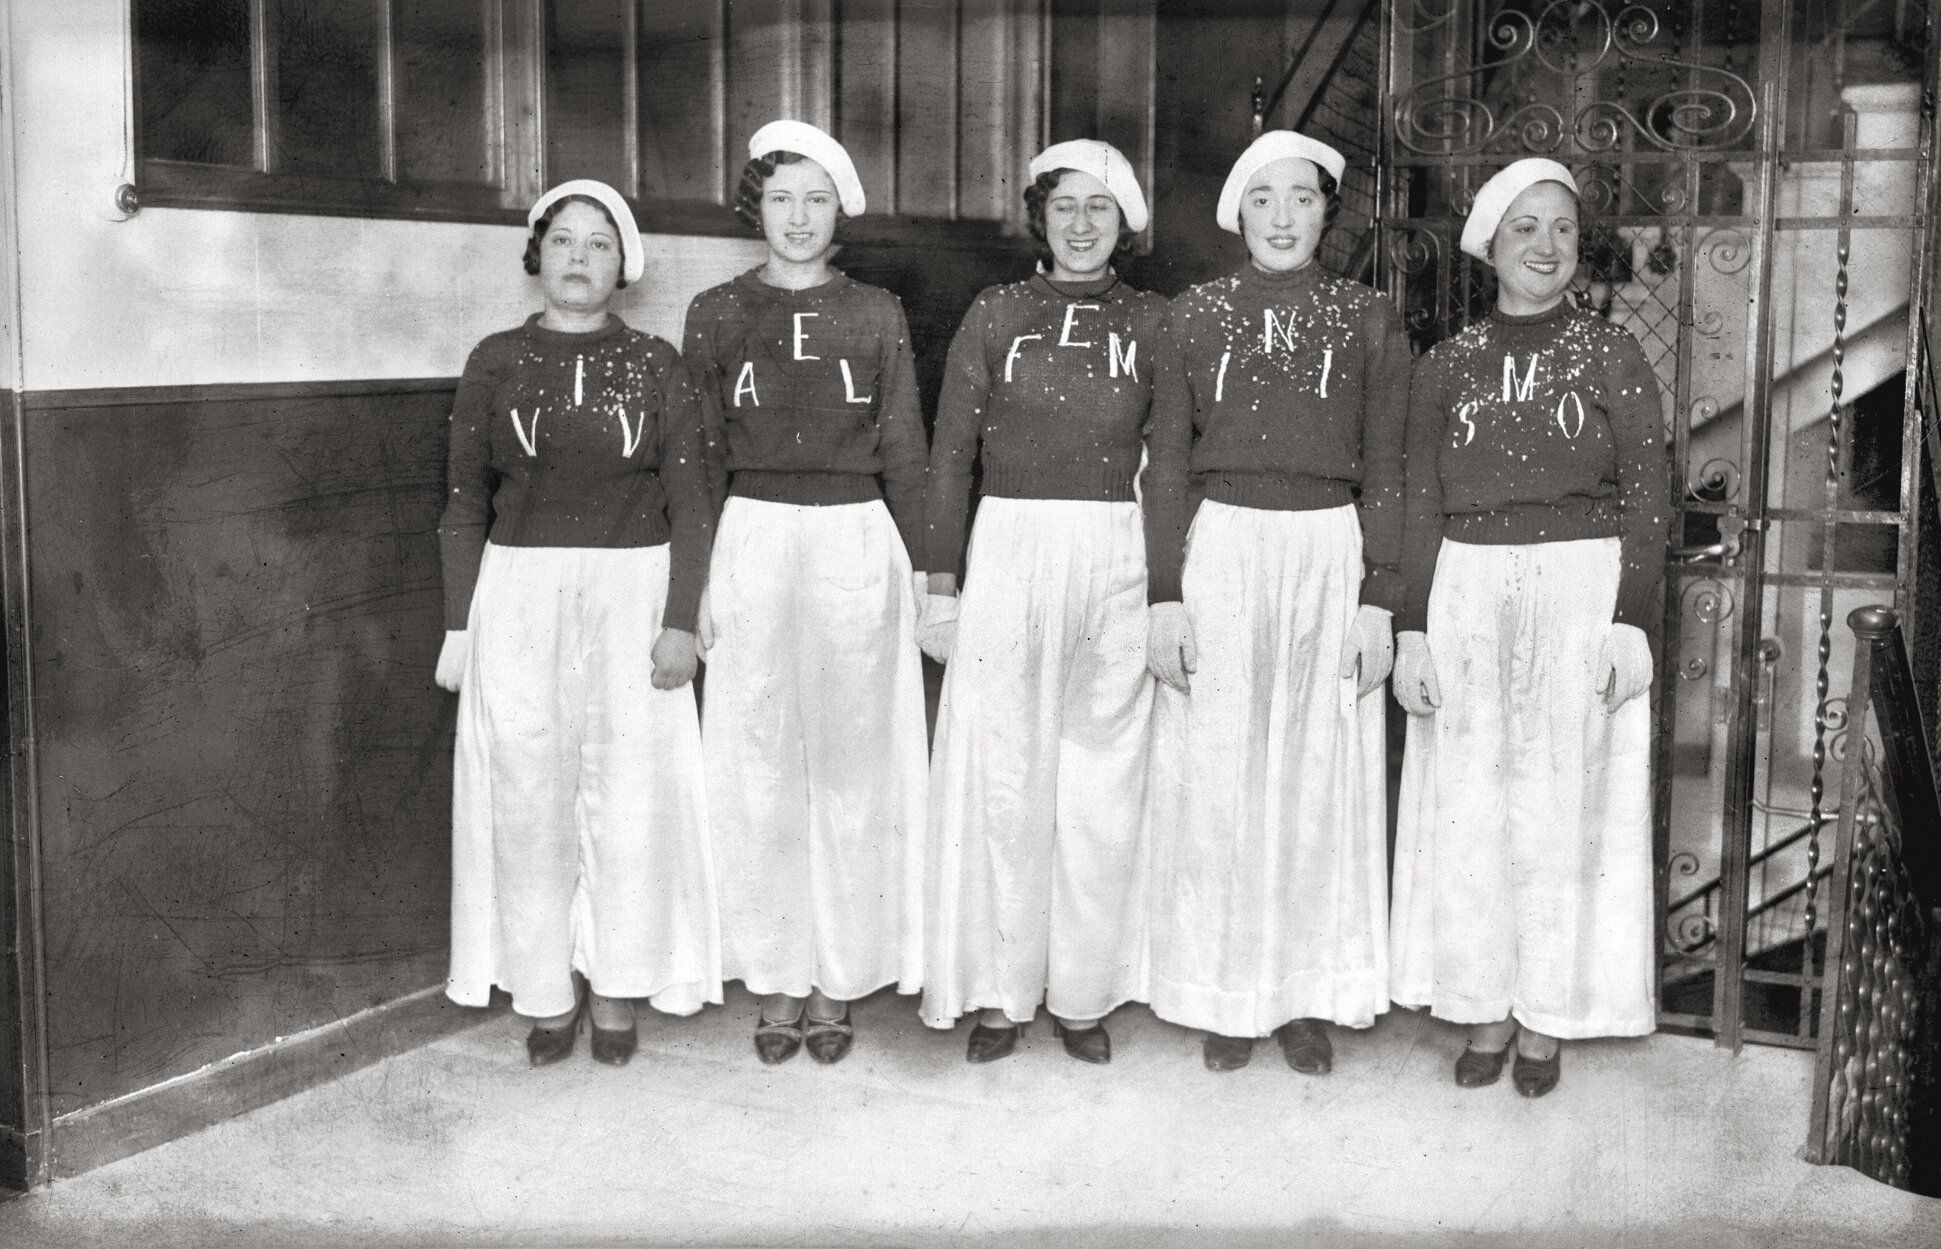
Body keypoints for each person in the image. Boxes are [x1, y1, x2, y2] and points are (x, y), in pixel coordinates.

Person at [1388, 157, 1669, 1098]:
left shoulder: (1612, 352)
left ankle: (1548, 1012)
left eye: (1559, 227)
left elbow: (1648, 494)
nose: (1544, 246)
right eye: (1523, 228)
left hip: (1580, 587)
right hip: (1465, 588)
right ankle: (1482, 1003)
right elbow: (1416, 499)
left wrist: (1631, 619)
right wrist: (1412, 630)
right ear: (1490, 247)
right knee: (1472, 803)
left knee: (1563, 806)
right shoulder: (1446, 363)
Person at [1143, 130, 1411, 1073]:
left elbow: (1388, 464)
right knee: (1221, 773)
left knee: (1315, 773)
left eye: (1302, 198)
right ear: (1239, 213)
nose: (1284, 216)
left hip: (1326, 548)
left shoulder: (1369, 317)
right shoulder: (1192, 313)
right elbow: (1167, 461)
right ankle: (1226, 991)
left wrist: (1379, 596)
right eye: (1265, 199)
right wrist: (1166, 594)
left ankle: (1302, 994)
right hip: (1222, 546)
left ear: (1326, 215)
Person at [437, 179, 721, 1067]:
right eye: (563, 239)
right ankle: (545, 989)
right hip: (516, 594)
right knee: (527, 793)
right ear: (537, 256)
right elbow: (461, 503)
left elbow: (692, 501)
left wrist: (681, 621)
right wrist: (459, 625)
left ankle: (618, 987)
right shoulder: (493, 360)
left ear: (623, 267)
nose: (578, 257)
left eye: (599, 243)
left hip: (632, 591)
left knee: (630, 795)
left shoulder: (658, 363)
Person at [682, 120, 929, 1066]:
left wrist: (928, 570)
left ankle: (838, 977)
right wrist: (693, 585)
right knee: (757, 764)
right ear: (757, 207)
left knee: (852, 766)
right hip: (749, 535)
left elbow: (904, 447)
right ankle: (777, 977)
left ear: (840, 214)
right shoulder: (713, 311)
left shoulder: (876, 311)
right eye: (780, 197)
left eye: (815, 198)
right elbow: (696, 456)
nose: (796, 216)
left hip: (855, 539)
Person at [918, 140, 1167, 1064]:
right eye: (1063, 203)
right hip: (1009, 546)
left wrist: (1166, 585)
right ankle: (999, 988)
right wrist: (939, 583)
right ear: (1039, 214)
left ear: (1126, 223)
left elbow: (1170, 462)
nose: (1079, 222)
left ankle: (1083, 992)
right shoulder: (994, 313)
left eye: (1100, 206)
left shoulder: (1155, 321)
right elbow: (949, 456)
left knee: (1100, 779)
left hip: (1116, 548)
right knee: (1005, 775)